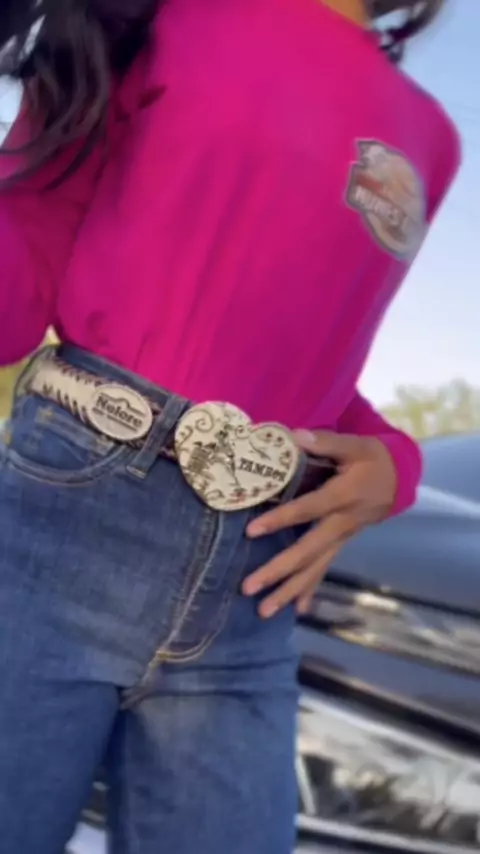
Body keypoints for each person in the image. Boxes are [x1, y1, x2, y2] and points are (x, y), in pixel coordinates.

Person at [0, 0, 459, 852]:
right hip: (60, 531)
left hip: (253, 591)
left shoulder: (432, 138)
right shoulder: (152, 16)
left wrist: (393, 466)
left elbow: (315, 368)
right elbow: (17, 293)